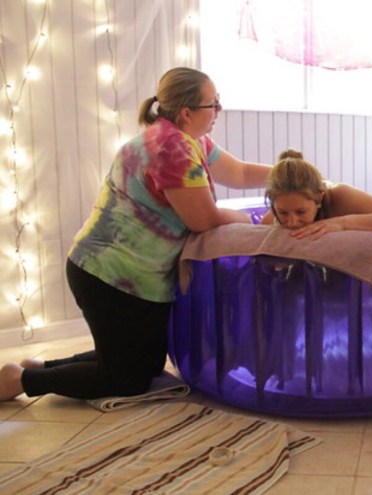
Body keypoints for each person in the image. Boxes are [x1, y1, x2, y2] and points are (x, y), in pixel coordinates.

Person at [0, 67, 272, 401]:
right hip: (110, 274)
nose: (219, 109)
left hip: (132, 276)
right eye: (212, 103)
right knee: (126, 379)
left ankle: (41, 367)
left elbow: (240, 173)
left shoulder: (192, 140)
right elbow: (204, 219)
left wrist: (291, 175)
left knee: (146, 363)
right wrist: (253, 220)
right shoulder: (171, 147)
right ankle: (21, 381)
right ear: (187, 112)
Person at [259, 148, 372, 239]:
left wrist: (342, 223)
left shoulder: (340, 196)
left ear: (319, 198)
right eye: (283, 213)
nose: (292, 222)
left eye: (301, 212)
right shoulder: (271, 220)